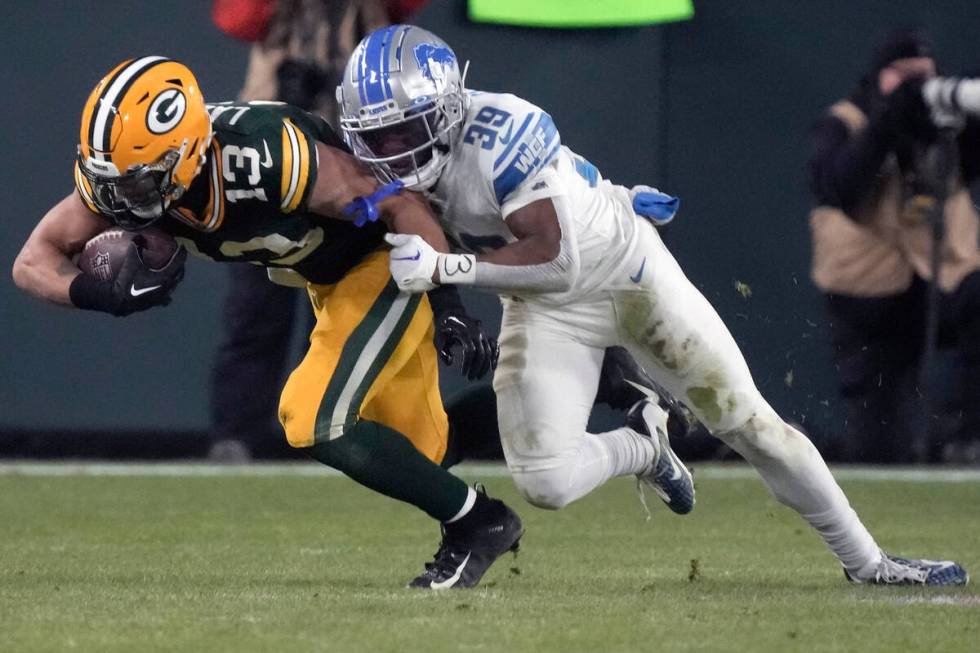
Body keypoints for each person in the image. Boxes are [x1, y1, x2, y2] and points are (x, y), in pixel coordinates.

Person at [337, 25, 969, 585]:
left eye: (402, 130)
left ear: (446, 110)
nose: (390, 151)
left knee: (751, 424)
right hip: (545, 305)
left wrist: (449, 268)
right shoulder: (385, 168)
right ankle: (642, 444)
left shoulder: (502, 131)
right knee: (544, 482)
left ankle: (870, 562)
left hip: (623, 273)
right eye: (375, 136)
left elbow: (559, 258)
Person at [11, 56, 518, 589]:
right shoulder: (131, 177)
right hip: (326, 282)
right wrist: (100, 294)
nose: (120, 200)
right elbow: (33, 261)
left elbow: (400, 202)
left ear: (186, 154)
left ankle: (478, 523)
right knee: (422, 454)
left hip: (383, 264)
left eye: (137, 183)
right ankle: (569, 384)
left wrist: (446, 300)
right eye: (110, 182)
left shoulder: (265, 155)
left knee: (313, 416)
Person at [207, 0, 403, 460]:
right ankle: (237, 433)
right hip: (267, 173)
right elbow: (236, 18)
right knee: (255, 315)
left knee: (341, 315)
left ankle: (331, 430)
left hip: (349, 171)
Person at [807, 28, 980, 464]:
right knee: (880, 447)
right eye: (901, 76)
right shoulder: (842, 123)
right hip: (868, 298)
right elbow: (838, 188)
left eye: (923, 76)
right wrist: (888, 124)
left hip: (946, 276)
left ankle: (962, 434)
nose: (915, 87)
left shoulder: (947, 128)